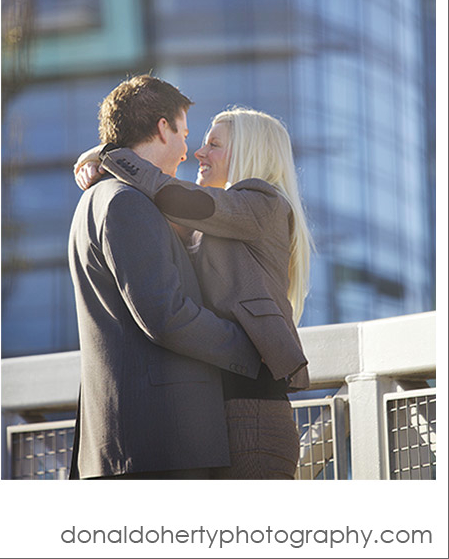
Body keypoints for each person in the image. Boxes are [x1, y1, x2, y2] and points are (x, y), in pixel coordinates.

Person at [75, 106, 314, 479]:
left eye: (214, 144)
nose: (199, 153)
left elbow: (172, 195)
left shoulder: (262, 205)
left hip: (253, 414)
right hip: (219, 417)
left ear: (249, 151)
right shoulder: (218, 220)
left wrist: (110, 155)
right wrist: (103, 162)